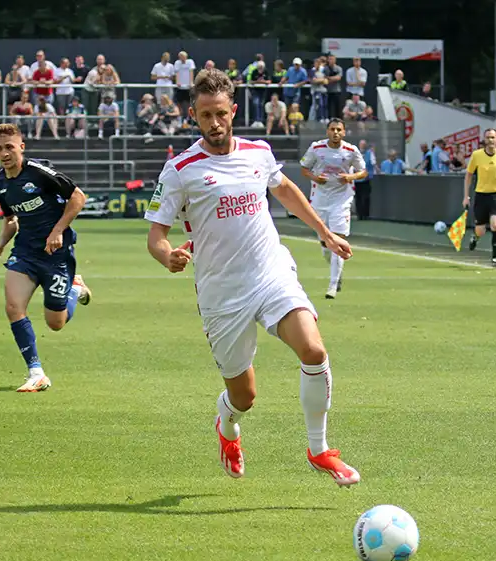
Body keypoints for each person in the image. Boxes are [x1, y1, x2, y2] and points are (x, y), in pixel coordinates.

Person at [144, 69, 360, 487]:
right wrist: (166, 256)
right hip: (221, 293)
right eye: (206, 115)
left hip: (270, 273)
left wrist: (324, 232)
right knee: (245, 396)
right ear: (193, 115)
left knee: (313, 350)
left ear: (233, 111)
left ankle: (318, 450)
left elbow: (284, 191)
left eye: (221, 113)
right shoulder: (180, 169)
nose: (215, 123)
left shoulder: (259, 152)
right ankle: (227, 425)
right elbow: (156, 236)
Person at [0, 124, 92, 392]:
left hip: (56, 255)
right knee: (13, 307)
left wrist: (58, 231)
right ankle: (36, 372)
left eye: (9, 147)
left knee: (55, 323)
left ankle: (74, 288)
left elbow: (78, 197)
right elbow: (11, 219)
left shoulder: (39, 172)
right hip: (24, 253)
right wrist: (1, 242)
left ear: (21, 147)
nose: (5, 153)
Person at [299, 118, 368, 298]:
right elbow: (304, 168)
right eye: (332, 129)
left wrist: (351, 177)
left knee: (337, 240)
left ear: (344, 132)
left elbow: (363, 171)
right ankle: (337, 271)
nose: (336, 132)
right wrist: (315, 178)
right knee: (325, 245)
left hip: (341, 200)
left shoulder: (351, 150)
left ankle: (332, 285)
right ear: (327, 131)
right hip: (320, 200)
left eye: (339, 129)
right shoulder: (316, 148)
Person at [463, 128, 496, 266]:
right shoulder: (477, 155)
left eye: (493, 137)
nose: (490, 140)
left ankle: (495, 257)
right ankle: (475, 237)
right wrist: (466, 196)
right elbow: (468, 175)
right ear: (484, 140)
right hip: (481, 195)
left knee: (495, 225)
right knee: (480, 230)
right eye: (488, 138)